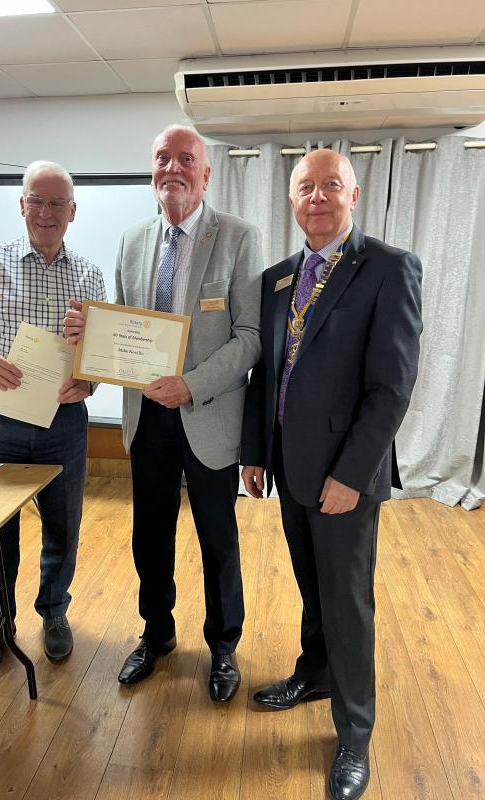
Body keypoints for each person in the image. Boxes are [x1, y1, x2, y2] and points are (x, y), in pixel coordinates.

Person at [241, 149, 422, 800]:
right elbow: (267, 373)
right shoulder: (277, 279)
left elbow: (391, 389)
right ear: (292, 199)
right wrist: (254, 450)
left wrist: (351, 474)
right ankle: (313, 675)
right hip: (289, 466)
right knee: (312, 588)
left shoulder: (389, 269)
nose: (317, 197)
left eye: (330, 186)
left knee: (348, 605)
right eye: (305, 187)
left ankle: (354, 733)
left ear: (354, 195)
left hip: (345, 476)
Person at [64, 125, 263, 702]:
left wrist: (190, 385)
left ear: (206, 174)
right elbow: (123, 333)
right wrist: (88, 337)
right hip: (146, 417)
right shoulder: (131, 240)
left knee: (217, 539)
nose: (173, 168)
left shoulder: (239, 237)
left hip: (209, 416)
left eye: (185, 159)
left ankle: (223, 645)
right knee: (149, 536)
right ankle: (157, 635)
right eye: (162, 158)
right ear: (152, 169)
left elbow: (250, 337)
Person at [0, 160, 106, 680]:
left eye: (57, 203)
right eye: (37, 201)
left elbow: (99, 358)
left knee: (63, 526)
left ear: (73, 212)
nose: (46, 212)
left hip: (63, 425)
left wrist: (88, 383)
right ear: (21, 205)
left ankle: (54, 612)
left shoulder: (90, 275)